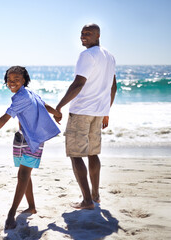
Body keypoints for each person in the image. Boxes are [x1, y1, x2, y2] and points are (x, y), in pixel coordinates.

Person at [0, 66, 61, 230]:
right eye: (10, 80)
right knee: (25, 172)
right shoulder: (27, 93)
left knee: (23, 173)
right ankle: (31, 206)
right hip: (23, 136)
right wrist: (56, 113)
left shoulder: (22, 97)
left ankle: (11, 213)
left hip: (34, 139)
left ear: (24, 80)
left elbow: (5, 117)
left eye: (16, 79)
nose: (12, 83)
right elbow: (44, 104)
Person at [55, 23, 117, 210]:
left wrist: (59, 106)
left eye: (88, 33)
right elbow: (113, 87)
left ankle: (87, 201)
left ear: (98, 35)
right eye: (82, 33)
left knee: (75, 155)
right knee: (92, 153)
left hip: (81, 111)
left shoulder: (87, 55)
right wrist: (106, 111)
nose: (83, 36)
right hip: (98, 113)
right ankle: (95, 196)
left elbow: (78, 84)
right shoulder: (110, 56)